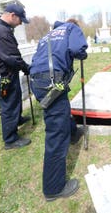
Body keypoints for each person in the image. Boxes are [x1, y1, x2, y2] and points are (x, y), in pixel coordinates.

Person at [29, 18, 88, 201]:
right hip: (51, 81)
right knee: (56, 132)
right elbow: (79, 50)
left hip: (38, 81)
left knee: (62, 109)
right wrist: (83, 55)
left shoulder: (48, 35)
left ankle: (74, 132)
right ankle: (53, 188)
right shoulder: (72, 28)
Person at [0, 1, 32, 150]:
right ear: (12, 15)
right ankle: (10, 140)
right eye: (19, 20)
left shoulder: (1, 27)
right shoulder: (2, 32)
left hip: (9, 72)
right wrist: (26, 68)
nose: (19, 24)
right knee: (9, 104)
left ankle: (17, 119)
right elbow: (13, 57)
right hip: (5, 75)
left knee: (15, 97)